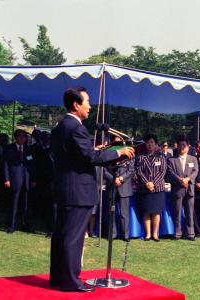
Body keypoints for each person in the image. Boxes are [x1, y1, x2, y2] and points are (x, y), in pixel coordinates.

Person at [49, 87, 134, 292]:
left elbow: (77, 155)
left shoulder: (60, 126)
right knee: (73, 237)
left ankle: (59, 278)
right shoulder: (76, 128)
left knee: (61, 234)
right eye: (87, 102)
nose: (90, 106)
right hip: (78, 191)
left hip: (65, 187)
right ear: (76, 104)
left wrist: (94, 151)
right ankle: (70, 281)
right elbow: (91, 158)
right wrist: (119, 151)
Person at [135, 134, 167, 242]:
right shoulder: (140, 156)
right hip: (144, 188)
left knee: (156, 212)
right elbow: (139, 171)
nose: (149, 144)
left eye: (152, 142)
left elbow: (163, 171)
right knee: (146, 211)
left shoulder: (161, 155)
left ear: (156, 144)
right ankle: (148, 234)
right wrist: (147, 183)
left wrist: (153, 183)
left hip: (157, 188)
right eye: (148, 142)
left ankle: (155, 234)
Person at [4, 129, 36, 233]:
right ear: (15, 137)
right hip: (14, 179)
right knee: (14, 203)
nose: (22, 138)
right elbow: (6, 165)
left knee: (26, 204)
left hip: (26, 180)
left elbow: (31, 164)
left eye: (24, 137)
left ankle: (26, 224)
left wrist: (33, 179)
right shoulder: (9, 148)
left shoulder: (28, 149)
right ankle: (11, 225)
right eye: (20, 136)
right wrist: (7, 179)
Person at [167, 134, 199, 241]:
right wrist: (180, 180)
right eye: (180, 145)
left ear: (188, 146)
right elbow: (170, 172)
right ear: (177, 146)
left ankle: (190, 233)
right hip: (178, 189)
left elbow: (196, 171)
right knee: (177, 212)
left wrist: (188, 179)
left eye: (184, 145)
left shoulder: (193, 159)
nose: (182, 147)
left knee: (190, 212)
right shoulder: (172, 160)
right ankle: (177, 233)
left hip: (190, 189)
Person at [103, 137, 135, 242]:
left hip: (124, 186)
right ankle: (112, 234)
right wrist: (114, 179)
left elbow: (131, 170)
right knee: (111, 212)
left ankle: (125, 235)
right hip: (112, 185)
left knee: (124, 213)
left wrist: (121, 178)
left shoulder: (129, 153)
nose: (118, 144)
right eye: (116, 142)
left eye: (120, 142)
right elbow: (104, 170)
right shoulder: (108, 153)